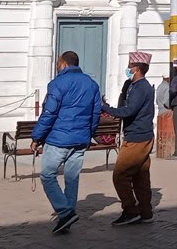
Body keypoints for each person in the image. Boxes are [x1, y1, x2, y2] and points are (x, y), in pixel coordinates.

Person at [32, 51, 103, 235]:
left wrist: (37, 137)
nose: (57, 66)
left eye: (58, 63)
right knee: (71, 179)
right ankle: (67, 216)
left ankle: (65, 212)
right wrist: (89, 134)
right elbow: (95, 114)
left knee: (47, 175)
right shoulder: (92, 84)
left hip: (59, 139)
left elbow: (49, 114)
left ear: (64, 63)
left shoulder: (57, 84)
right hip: (80, 140)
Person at [101, 51, 156, 226]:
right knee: (140, 176)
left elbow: (128, 111)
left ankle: (131, 210)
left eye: (130, 66)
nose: (128, 68)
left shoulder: (142, 88)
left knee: (120, 175)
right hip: (140, 134)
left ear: (137, 68)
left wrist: (106, 109)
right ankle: (145, 212)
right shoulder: (133, 86)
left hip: (137, 138)